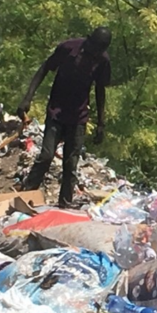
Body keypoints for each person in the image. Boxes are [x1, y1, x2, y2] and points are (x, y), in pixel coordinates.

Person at [17, 27, 112, 207]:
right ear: (88, 39)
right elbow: (45, 67)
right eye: (93, 47)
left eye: (100, 49)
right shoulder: (69, 48)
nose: (95, 52)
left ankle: (64, 205)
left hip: (78, 117)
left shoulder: (103, 61)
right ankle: (26, 196)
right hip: (57, 111)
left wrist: (101, 122)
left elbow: (100, 90)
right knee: (46, 156)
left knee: (70, 164)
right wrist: (28, 98)